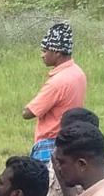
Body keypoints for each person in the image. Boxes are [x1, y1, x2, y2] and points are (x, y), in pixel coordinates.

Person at [24, 21, 87, 163]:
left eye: (45, 51)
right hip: (70, 139)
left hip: (51, 142)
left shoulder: (57, 82)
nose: (42, 55)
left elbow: (28, 113)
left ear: (57, 52)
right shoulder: (78, 72)